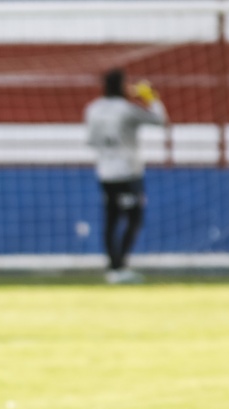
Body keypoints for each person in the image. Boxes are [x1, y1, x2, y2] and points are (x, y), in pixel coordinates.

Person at [85, 68, 167, 284]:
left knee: (111, 219)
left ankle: (113, 268)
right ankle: (119, 267)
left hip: (104, 172)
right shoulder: (127, 110)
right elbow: (160, 120)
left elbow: (91, 141)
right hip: (128, 173)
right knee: (134, 218)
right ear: (122, 85)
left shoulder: (93, 109)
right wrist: (150, 97)